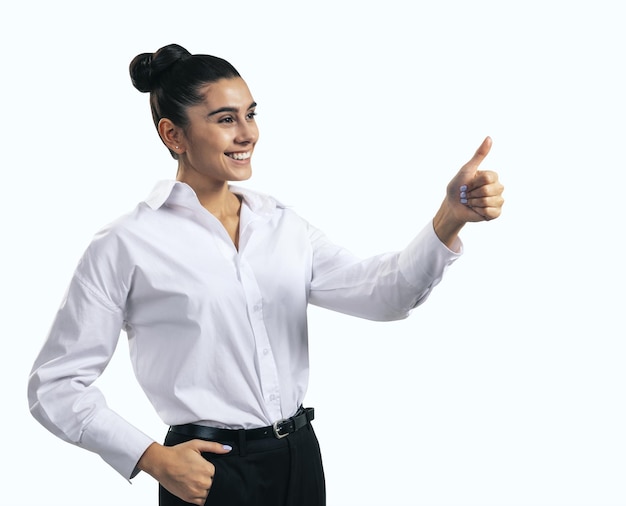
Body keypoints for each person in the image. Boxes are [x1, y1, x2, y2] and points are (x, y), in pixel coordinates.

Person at [27, 43, 504, 506]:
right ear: (173, 135)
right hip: (207, 472)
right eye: (225, 119)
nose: (247, 134)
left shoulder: (282, 226)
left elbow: (385, 295)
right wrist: (151, 458)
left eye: (251, 114)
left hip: (299, 459)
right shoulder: (126, 243)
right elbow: (55, 383)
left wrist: (449, 218)